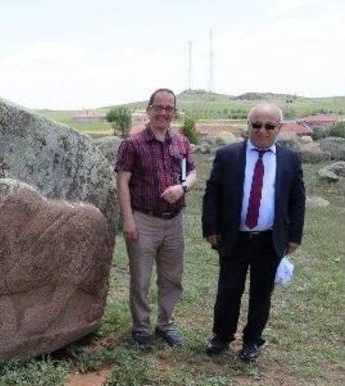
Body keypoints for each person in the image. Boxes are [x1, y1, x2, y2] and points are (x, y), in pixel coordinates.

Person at [202, 103, 305, 362]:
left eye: (269, 126)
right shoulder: (228, 155)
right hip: (234, 238)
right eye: (256, 125)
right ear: (248, 126)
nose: (261, 131)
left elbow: (297, 199)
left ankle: (252, 341)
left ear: (279, 128)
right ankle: (222, 337)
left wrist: (294, 236)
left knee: (261, 295)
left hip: (269, 239)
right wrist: (211, 228)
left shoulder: (290, 160)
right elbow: (212, 193)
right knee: (228, 291)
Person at [115, 88, 197, 348]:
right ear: (148, 109)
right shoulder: (133, 144)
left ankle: (165, 324)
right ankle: (141, 327)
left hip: (174, 222)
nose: (163, 113)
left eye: (169, 108)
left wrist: (181, 188)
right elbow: (122, 182)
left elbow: (193, 173)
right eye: (158, 107)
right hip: (143, 220)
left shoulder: (181, 142)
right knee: (140, 278)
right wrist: (128, 220)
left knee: (172, 277)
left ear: (174, 112)